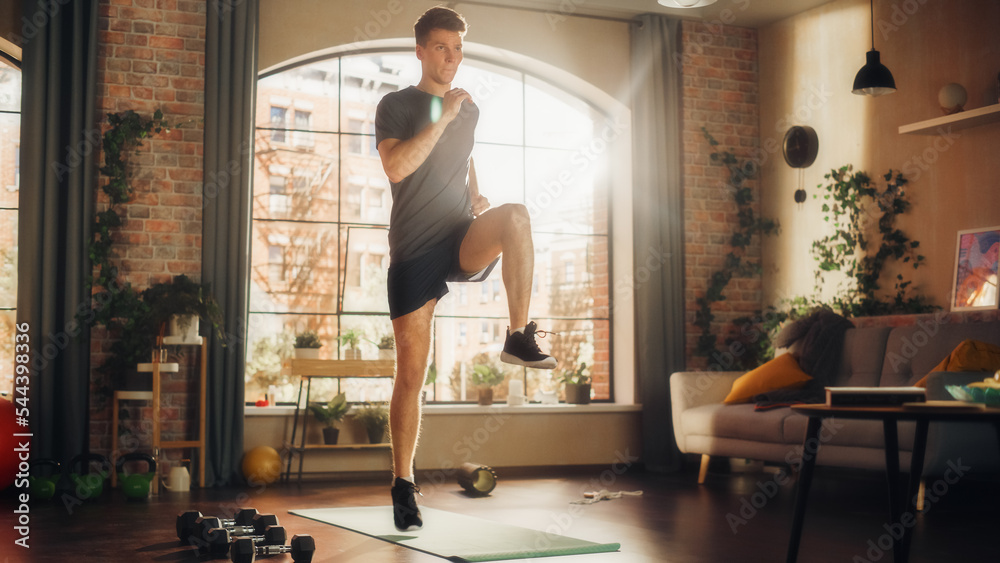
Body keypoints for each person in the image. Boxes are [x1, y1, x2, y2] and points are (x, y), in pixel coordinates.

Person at [374, 6, 557, 531]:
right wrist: (445, 116)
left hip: (459, 235)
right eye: (440, 48)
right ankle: (403, 483)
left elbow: (463, 152)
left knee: (517, 216)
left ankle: (518, 336)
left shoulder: (466, 110)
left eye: (457, 49)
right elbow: (397, 165)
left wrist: (475, 191)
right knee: (411, 372)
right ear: (420, 50)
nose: (451, 59)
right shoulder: (397, 105)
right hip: (413, 249)